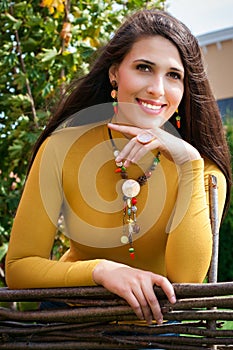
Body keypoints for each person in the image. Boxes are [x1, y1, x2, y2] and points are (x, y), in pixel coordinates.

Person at [6, 8, 231, 330]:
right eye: (143, 68)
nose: (157, 88)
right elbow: (19, 268)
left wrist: (189, 165)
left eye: (173, 75)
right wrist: (101, 270)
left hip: (158, 332)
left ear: (184, 90)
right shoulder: (62, 147)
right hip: (65, 322)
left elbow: (187, 282)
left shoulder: (202, 168)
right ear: (115, 73)